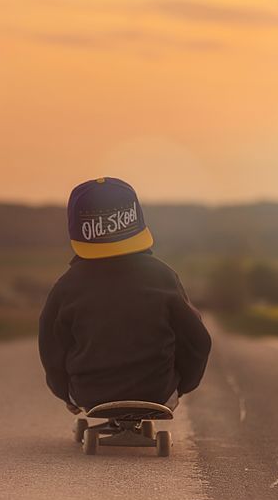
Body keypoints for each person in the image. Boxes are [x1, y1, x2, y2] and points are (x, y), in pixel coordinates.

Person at [38, 177, 211, 414]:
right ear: (135, 219)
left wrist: (64, 391)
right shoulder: (162, 276)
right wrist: (181, 385)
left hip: (89, 395)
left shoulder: (67, 285)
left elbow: (51, 348)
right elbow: (197, 342)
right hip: (157, 393)